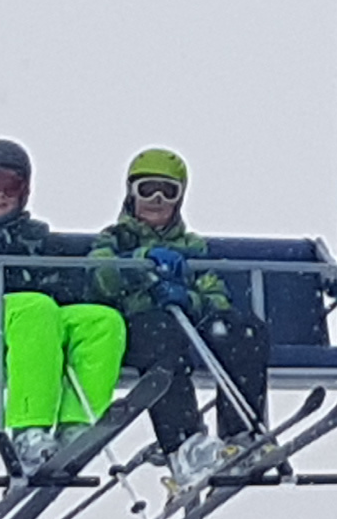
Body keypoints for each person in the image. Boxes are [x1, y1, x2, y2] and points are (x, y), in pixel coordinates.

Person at [0, 138, 125, 468]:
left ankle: (76, 426)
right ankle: (29, 431)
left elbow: (60, 288)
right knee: (35, 309)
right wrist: (3, 275)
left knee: (101, 321)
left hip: (24, 320)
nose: (1, 195)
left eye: (11, 186)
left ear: (24, 191)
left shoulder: (34, 237)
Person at [89, 147, 270, 470]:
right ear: (131, 194)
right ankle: (184, 443)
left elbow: (216, 295)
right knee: (162, 334)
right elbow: (101, 278)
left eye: (167, 191)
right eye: (147, 189)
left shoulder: (192, 248)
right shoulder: (115, 240)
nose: (156, 199)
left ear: (180, 198)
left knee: (242, 330)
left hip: (188, 330)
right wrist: (138, 265)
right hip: (137, 331)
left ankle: (242, 432)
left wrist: (190, 298)